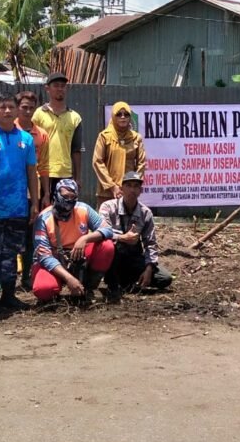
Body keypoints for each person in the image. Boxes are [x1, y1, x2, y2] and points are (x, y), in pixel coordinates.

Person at [0, 92, 38, 315]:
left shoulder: (27, 139)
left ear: (16, 111)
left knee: (12, 252)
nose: (7, 111)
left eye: (10, 107)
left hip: (18, 207)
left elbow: (31, 172)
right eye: (2, 107)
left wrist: (33, 202)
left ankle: (8, 295)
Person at [31, 179, 114, 303]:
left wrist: (85, 238)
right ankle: (55, 291)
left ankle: (88, 287)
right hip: (54, 261)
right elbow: (44, 256)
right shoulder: (43, 218)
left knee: (107, 246)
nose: (69, 200)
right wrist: (69, 278)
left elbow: (107, 230)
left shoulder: (83, 209)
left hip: (79, 258)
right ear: (56, 195)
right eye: (65, 196)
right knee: (44, 290)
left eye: (72, 197)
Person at [98, 171, 174, 301]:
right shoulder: (108, 207)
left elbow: (150, 243)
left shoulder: (146, 213)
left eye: (136, 186)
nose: (132, 190)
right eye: (129, 185)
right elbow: (102, 232)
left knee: (164, 278)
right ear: (121, 188)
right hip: (113, 258)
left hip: (133, 258)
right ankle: (113, 284)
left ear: (140, 190)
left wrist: (149, 269)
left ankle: (127, 282)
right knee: (109, 246)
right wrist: (122, 237)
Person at [15, 90, 49, 290]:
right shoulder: (11, 131)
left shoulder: (41, 135)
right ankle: (7, 277)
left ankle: (27, 276)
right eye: (24, 107)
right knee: (11, 236)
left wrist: (45, 195)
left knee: (29, 237)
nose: (27, 111)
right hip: (11, 192)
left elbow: (44, 166)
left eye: (31, 107)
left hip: (32, 192)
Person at [32, 71, 84, 199]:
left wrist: (77, 178)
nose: (60, 88)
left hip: (65, 173)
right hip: (42, 173)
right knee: (42, 213)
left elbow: (76, 150)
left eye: (63, 85)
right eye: (56, 85)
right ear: (47, 89)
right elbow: (32, 146)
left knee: (64, 213)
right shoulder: (38, 115)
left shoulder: (75, 117)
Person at [93, 101, 146, 205]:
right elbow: (97, 162)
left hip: (128, 192)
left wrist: (133, 185)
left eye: (126, 114)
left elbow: (141, 163)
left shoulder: (136, 138)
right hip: (106, 192)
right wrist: (112, 187)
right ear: (113, 116)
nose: (123, 117)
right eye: (119, 114)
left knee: (128, 220)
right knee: (106, 220)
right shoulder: (104, 136)